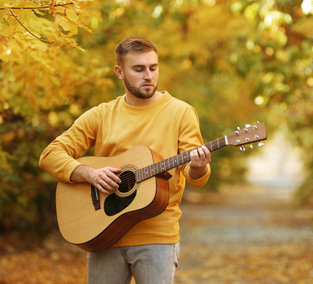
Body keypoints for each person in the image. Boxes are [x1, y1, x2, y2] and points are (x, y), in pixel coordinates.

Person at [39, 37, 211, 284]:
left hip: (157, 236)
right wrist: (89, 174)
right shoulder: (101, 115)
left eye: (153, 67)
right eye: (139, 69)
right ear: (119, 72)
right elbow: (49, 155)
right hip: (103, 233)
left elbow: (196, 178)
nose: (148, 75)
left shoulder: (180, 112)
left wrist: (198, 166)